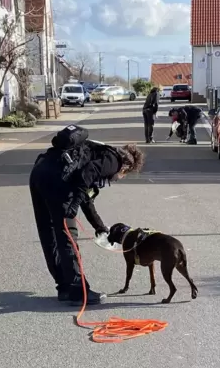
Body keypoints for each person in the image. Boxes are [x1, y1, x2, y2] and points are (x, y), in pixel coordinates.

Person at [29, 125, 146, 306]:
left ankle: (64, 287)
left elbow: (84, 193)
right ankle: (78, 291)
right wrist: (73, 205)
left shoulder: (95, 151)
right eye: (123, 175)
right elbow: (85, 177)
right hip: (56, 182)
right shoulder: (113, 161)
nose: (118, 178)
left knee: (49, 233)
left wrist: (98, 225)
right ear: (126, 167)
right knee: (68, 236)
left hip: (40, 172)